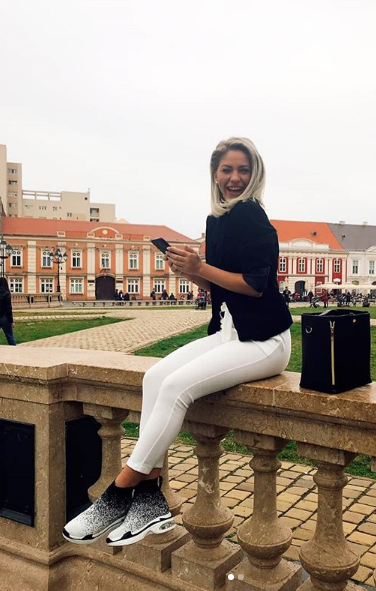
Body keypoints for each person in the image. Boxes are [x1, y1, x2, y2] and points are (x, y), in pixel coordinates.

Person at [62, 137, 293, 547]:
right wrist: (191, 273)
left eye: (243, 170)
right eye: (227, 170)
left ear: (255, 173)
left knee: (175, 387)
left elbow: (256, 285)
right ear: (215, 174)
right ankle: (150, 500)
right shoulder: (217, 221)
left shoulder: (253, 217)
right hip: (228, 331)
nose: (235, 178)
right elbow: (220, 287)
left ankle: (119, 491)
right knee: (154, 377)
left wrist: (200, 266)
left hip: (265, 341)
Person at [0, 277, 16, 346]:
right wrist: (11, 321)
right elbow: (8, 308)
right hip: (4, 317)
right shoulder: (7, 294)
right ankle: (14, 350)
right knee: (10, 336)